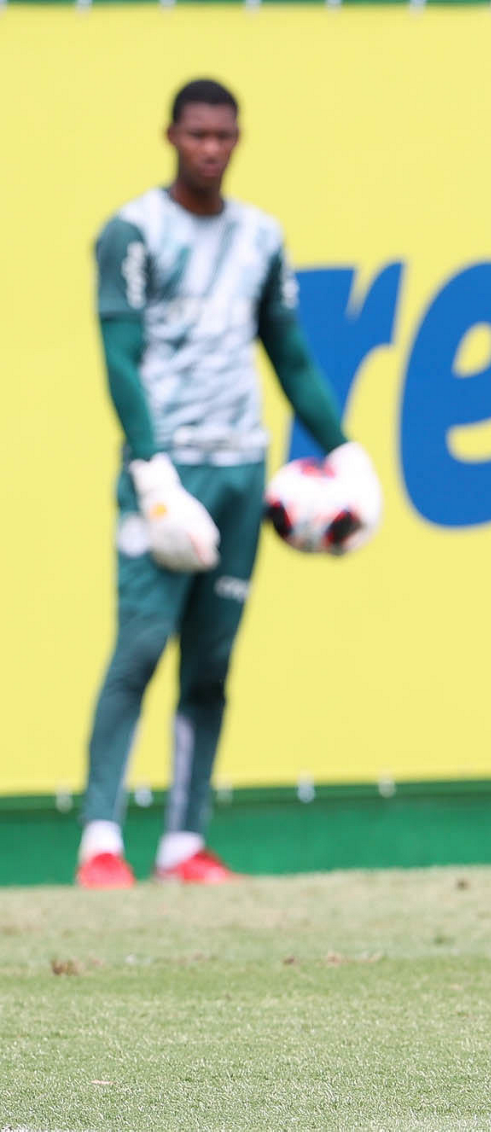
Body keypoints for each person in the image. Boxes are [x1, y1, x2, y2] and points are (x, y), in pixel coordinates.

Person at [77, 79, 382, 889]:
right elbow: (119, 357)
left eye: (223, 136)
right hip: (167, 466)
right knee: (141, 647)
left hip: (243, 470)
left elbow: (289, 354)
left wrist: (345, 450)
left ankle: (184, 843)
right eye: (197, 135)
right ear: (172, 137)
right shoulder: (134, 232)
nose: (210, 149)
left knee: (210, 663)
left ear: (237, 140)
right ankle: (101, 839)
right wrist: (151, 471)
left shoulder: (259, 237)